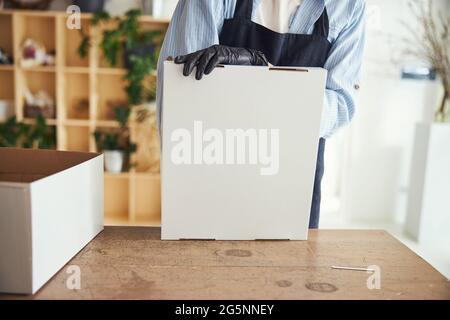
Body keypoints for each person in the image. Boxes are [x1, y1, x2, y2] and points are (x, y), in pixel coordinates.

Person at [157, 0, 366, 228]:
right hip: (213, 169)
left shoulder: (348, 5)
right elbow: (183, 99)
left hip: (293, 185)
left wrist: (262, 75)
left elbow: (341, 105)